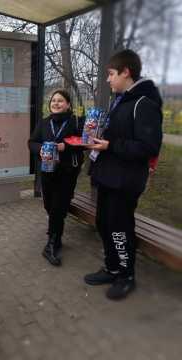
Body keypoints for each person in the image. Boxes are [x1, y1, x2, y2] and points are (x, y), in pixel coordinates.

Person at [84, 49, 163, 300]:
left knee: (119, 228)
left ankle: (126, 275)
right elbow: (118, 135)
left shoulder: (144, 104)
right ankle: (111, 267)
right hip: (108, 176)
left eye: (110, 74)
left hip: (125, 181)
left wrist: (110, 145)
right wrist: (96, 138)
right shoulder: (121, 101)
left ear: (126, 72)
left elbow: (148, 147)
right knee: (104, 223)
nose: (108, 80)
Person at [28, 89, 84, 266]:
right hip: (47, 171)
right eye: (53, 101)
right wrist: (41, 149)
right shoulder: (44, 123)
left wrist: (64, 147)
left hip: (67, 173)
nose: (56, 103)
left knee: (58, 207)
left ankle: (52, 243)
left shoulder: (76, 121)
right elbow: (32, 142)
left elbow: (85, 142)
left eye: (60, 101)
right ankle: (55, 234)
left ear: (68, 104)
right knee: (49, 205)